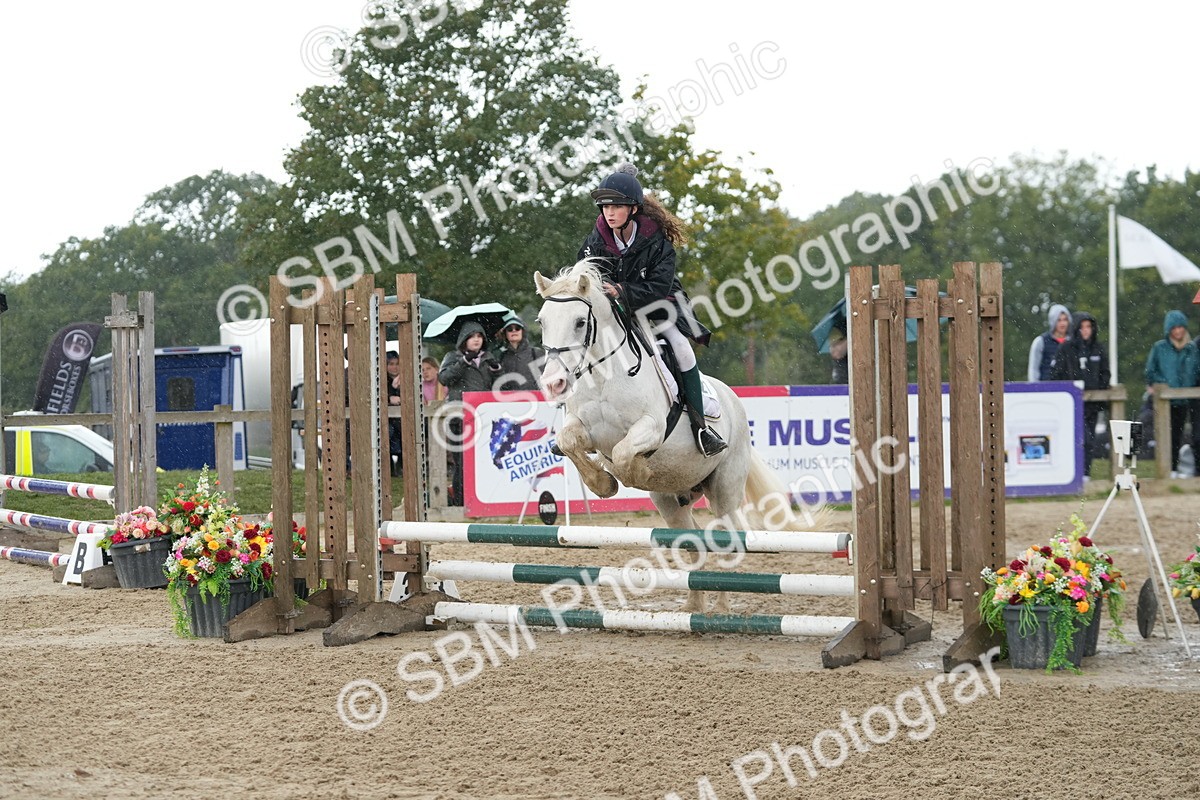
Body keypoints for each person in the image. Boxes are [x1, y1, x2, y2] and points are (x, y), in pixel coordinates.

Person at [578, 162, 727, 457]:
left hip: (660, 304)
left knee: (682, 349)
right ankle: (580, 420)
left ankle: (701, 427)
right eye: (605, 206)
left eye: (616, 206)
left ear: (633, 209)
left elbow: (659, 286)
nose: (609, 213)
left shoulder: (657, 240)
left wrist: (623, 290)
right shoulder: (596, 239)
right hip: (616, 307)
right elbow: (586, 273)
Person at [438, 322, 502, 504]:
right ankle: (461, 502)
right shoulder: (452, 356)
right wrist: (463, 362)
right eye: (472, 336)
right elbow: (444, 379)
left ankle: (483, 501)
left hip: (483, 417)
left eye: (479, 336)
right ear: (464, 339)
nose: (476, 340)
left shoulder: (489, 357)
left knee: (484, 461)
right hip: (459, 418)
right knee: (462, 463)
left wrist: (497, 371)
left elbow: (500, 387)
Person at [1050, 312, 1110, 479]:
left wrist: (1098, 389)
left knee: (1091, 440)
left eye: (1088, 326)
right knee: (1081, 439)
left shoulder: (1098, 348)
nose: (1085, 330)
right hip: (1072, 404)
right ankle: (1074, 473)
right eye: (1082, 327)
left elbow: (1105, 373)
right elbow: (1055, 374)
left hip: (1093, 404)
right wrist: (1070, 390)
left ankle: (1085, 474)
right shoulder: (1066, 348)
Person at [1144, 310, 1197, 478]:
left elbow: (1196, 371)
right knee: (1165, 435)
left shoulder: (1192, 348)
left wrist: (1187, 385)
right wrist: (1164, 384)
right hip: (1164, 401)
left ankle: (1176, 469)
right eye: (1174, 328)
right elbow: (1150, 371)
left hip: (1185, 400)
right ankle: (1168, 470)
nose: (1178, 331)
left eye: (1181, 327)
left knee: (1180, 435)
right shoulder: (1160, 348)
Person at [493, 314, 544, 392]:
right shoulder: (501, 357)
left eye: (517, 328)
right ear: (505, 333)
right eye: (509, 329)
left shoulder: (536, 353)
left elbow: (546, 380)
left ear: (522, 332)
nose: (514, 331)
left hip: (534, 398)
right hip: (509, 398)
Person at [1027, 303, 1072, 381]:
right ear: (1053, 321)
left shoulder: (1073, 341)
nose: (1062, 323)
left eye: (1065, 319)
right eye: (1059, 320)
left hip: (1069, 386)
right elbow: (1033, 369)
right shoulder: (1040, 341)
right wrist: (1035, 386)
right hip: (1046, 386)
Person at [384, 350, 404, 476]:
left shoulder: (406, 379)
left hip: (402, 419)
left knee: (405, 431)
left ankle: (402, 465)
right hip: (387, 420)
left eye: (397, 364)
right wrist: (389, 398)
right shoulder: (381, 380)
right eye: (391, 364)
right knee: (387, 432)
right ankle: (388, 466)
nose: (394, 367)